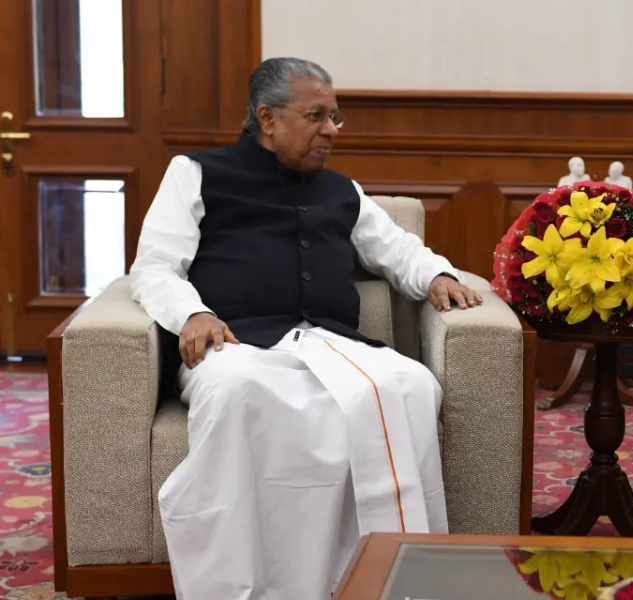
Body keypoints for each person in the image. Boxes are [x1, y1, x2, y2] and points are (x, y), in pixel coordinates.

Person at [129, 57, 482, 600]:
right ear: (267, 119)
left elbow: (396, 250)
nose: (331, 130)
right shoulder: (195, 173)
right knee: (237, 389)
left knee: (411, 385)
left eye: (336, 116)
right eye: (316, 115)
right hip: (235, 344)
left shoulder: (343, 190)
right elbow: (154, 265)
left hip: (333, 342)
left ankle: (388, 580)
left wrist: (435, 274)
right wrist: (192, 315)